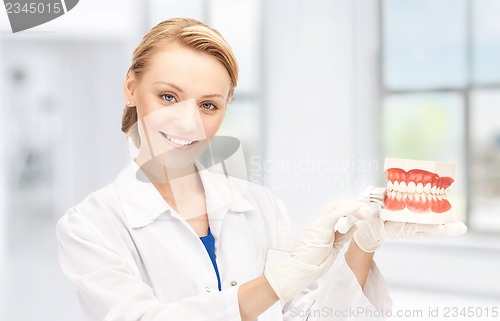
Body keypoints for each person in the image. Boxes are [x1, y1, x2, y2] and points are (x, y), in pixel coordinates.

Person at [56, 18, 466, 321]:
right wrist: (278, 280)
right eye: (167, 96)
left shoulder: (261, 207)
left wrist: (362, 243)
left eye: (208, 105)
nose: (187, 123)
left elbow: (310, 317)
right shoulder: (90, 226)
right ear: (131, 88)